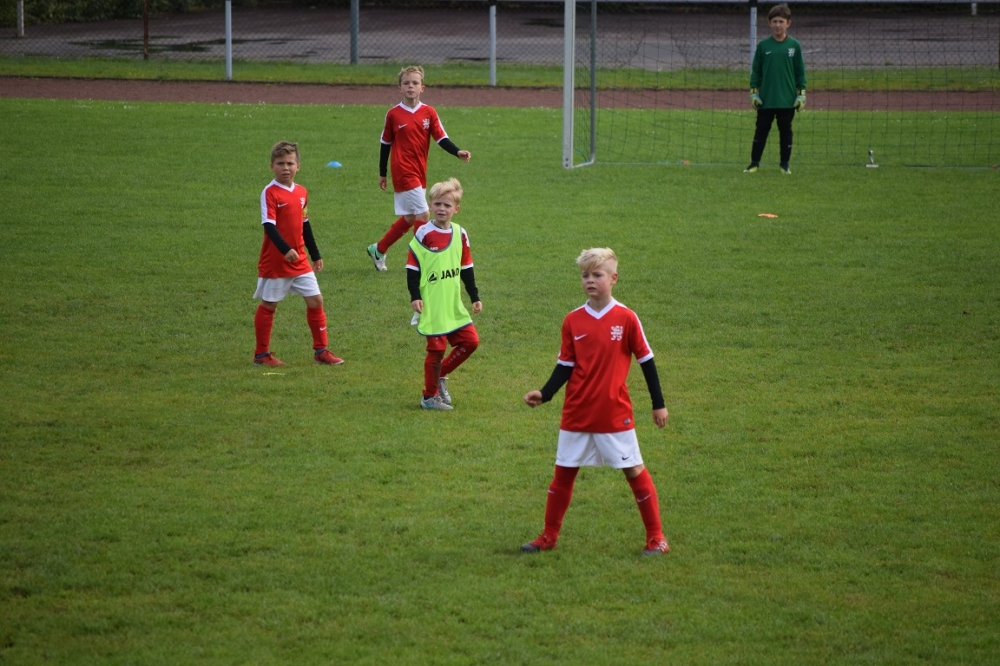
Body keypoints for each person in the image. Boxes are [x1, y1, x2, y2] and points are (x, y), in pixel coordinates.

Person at [521, 248, 670, 556]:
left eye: (597, 275)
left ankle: (657, 538)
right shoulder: (573, 320)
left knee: (634, 471)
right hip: (576, 412)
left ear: (613, 279)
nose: (590, 280)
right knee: (563, 474)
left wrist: (658, 403)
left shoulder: (626, 318)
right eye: (585, 275)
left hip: (613, 413)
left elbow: (647, 361)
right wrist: (545, 393)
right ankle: (549, 536)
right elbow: (565, 364)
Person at [367, 65, 472, 272]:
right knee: (424, 214)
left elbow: (441, 137)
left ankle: (378, 249)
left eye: (415, 83)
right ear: (400, 88)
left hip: (419, 171)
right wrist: (382, 172)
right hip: (403, 171)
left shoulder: (429, 112)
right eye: (406, 83)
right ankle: (422, 260)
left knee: (410, 217)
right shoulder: (393, 114)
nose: (410, 86)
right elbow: (385, 143)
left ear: (422, 88)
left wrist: (457, 152)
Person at [252, 141, 344, 367]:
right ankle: (261, 354)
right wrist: (285, 250)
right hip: (277, 260)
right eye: (280, 163)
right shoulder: (270, 192)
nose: (285, 168)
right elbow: (269, 226)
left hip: (300, 259)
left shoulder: (302, 192)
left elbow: (305, 224)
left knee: (316, 300)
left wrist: (315, 254)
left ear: (298, 166)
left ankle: (321, 351)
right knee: (270, 304)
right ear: (271, 166)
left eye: (290, 163)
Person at [406, 178, 481, 411]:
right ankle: (429, 398)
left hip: (452, 304)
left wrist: (474, 296)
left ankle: (440, 375)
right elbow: (412, 267)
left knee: (470, 341)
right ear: (430, 205)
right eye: (437, 204)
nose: (441, 209)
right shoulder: (423, 233)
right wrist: (415, 295)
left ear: (456, 209)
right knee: (436, 350)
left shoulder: (460, 233)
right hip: (433, 304)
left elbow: (466, 267)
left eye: (447, 205)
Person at [745, 3, 807, 175]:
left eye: (781, 21)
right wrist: (754, 93)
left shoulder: (794, 46)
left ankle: (784, 165)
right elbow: (756, 72)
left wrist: (801, 94)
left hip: (787, 100)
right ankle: (754, 164)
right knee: (761, 131)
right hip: (766, 100)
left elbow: (800, 72)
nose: (778, 25)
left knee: (785, 132)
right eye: (775, 21)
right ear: (769, 23)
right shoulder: (763, 46)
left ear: (788, 23)